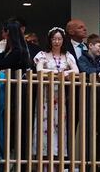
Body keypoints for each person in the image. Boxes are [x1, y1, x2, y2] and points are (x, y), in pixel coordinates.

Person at [33, 27, 79, 160]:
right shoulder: (42, 54)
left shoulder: (68, 56)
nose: (56, 41)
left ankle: (57, 156)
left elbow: (76, 71)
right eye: (54, 39)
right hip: (45, 94)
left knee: (60, 123)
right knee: (44, 122)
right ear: (50, 40)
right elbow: (39, 70)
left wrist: (65, 73)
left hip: (60, 95)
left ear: (63, 40)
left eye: (59, 39)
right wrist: (56, 73)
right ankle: (43, 156)